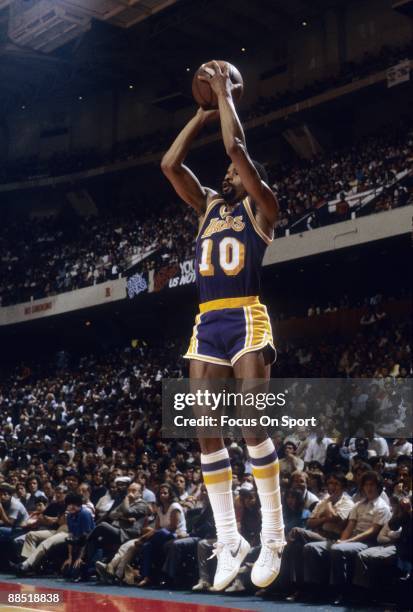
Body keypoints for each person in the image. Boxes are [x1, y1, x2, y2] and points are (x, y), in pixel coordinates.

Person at [161, 60, 283, 591]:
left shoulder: (264, 209)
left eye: (237, 172)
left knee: (253, 425)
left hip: (246, 316)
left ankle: (274, 532)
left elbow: (237, 150)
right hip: (206, 324)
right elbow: (170, 164)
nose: (229, 172)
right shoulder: (208, 206)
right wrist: (201, 112)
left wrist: (224, 94)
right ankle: (231, 538)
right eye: (229, 174)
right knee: (204, 432)